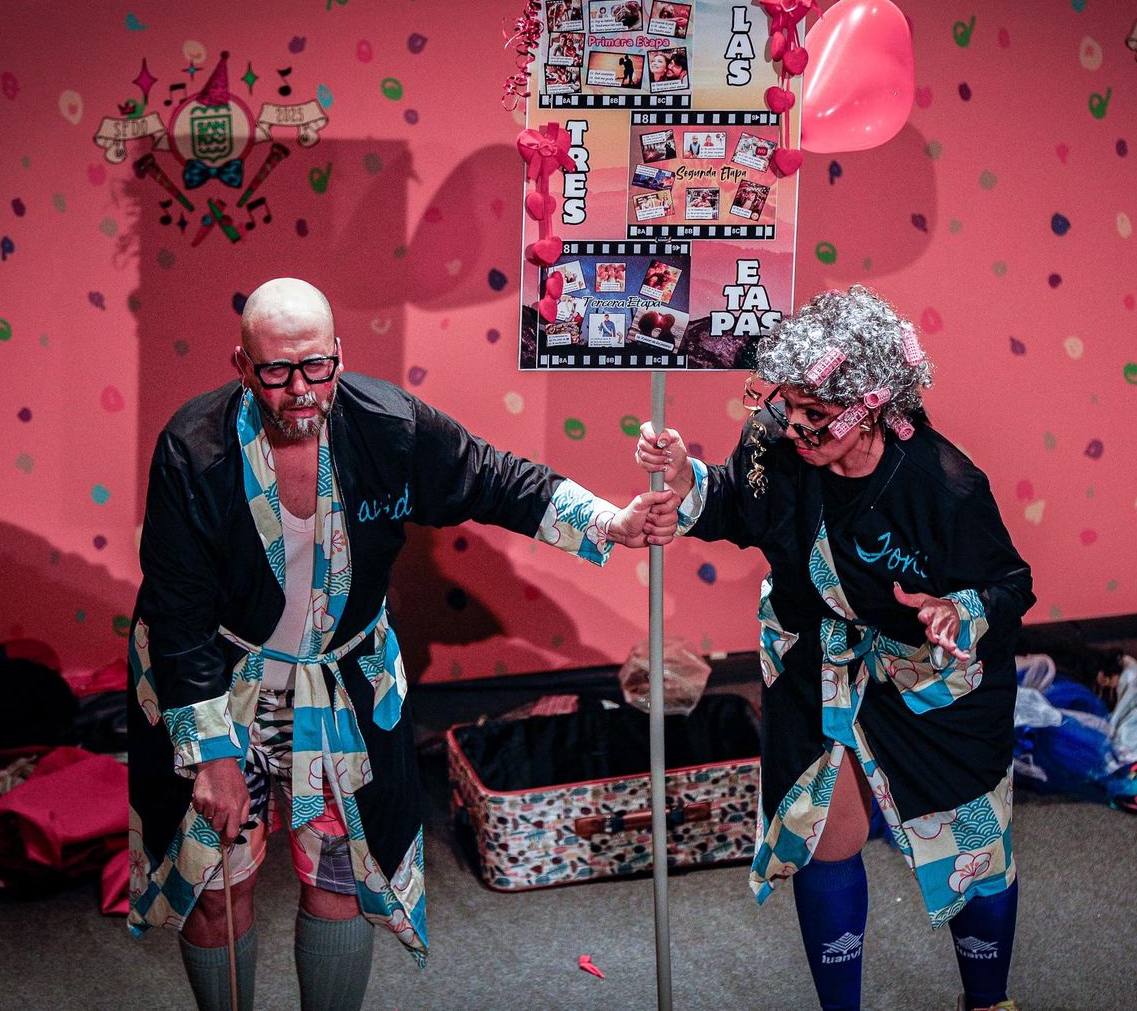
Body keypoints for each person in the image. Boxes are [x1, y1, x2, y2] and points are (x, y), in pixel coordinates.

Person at [128, 277, 677, 1010]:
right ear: (241, 365)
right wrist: (214, 755)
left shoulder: (389, 425)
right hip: (221, 677)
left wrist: (610, 522)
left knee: (341, 875)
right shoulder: (192, 450)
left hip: (341, 677)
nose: (300, 389)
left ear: (339, 355)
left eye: (316, 366)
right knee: (216, 888)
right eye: (277, 370)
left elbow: (495, 478)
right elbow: (177, 609)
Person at [636, 284, 1034, 1011]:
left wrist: (956, 607)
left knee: (973, 844)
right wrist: (686, 477)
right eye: (787, 405)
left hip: (928, 680)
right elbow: (736, 500)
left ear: (874, 407)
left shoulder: (944, 485)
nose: (793, 426)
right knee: (821, 831)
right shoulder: (775, 436)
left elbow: (1010, 585)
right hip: (815, 661)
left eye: (815, 415)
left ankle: (987, 1000)